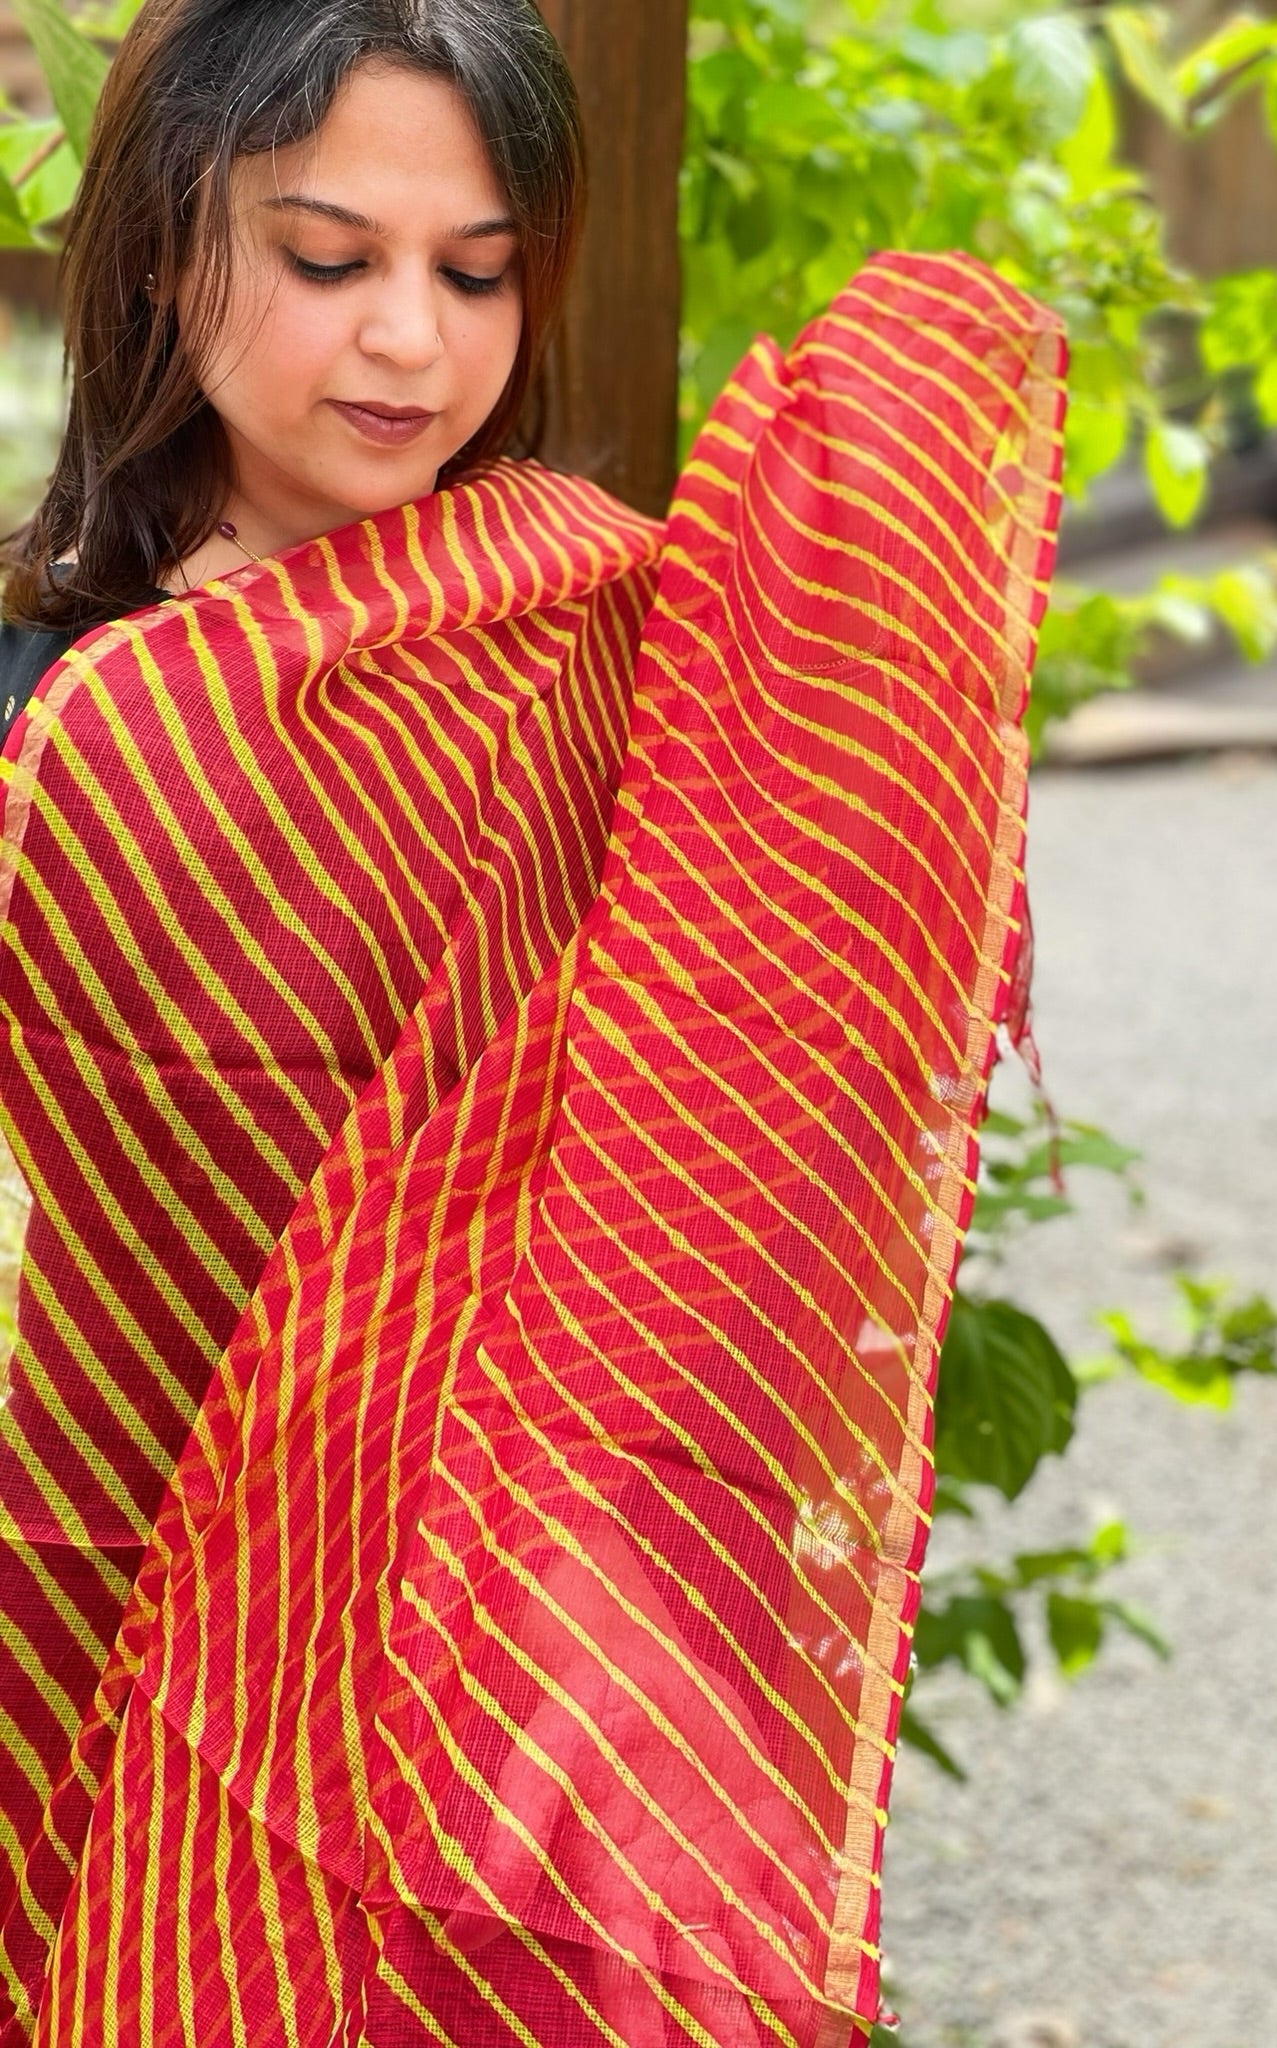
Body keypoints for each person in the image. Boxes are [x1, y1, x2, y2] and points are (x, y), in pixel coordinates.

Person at [0, 3, 1067, 2044]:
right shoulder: (64, 700)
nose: (413, 338)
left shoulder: (623, 635)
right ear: (160, 255)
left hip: (562, 1609)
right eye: (330, 261)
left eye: (477, 273)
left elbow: (777, 1069)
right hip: (138, 1522)